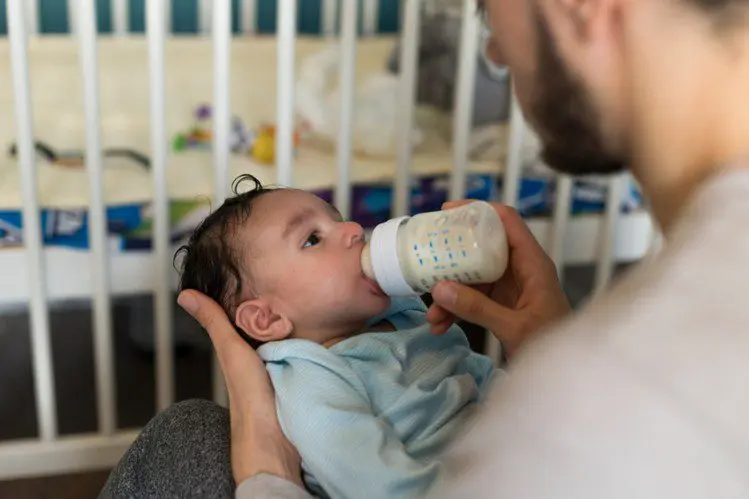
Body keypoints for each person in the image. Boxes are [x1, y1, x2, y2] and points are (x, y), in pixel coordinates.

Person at [102, 0, 749, 497]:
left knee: (184, 437)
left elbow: (474, 388)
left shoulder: (589, 415)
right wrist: (545, 351)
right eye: (313, 237)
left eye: (490, 7)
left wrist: (266, 471)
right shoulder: (322, 379)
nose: (493, 49)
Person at [172, 174, 498, 498]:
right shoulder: (310, 378)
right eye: (313, 239)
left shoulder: (404, 311)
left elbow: (476, 372)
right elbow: (381, 485)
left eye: (339, 219)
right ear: (267, 317)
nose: (354, 230)